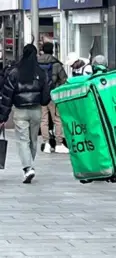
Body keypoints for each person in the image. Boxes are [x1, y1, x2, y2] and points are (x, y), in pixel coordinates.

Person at [0, 44, 52, 183]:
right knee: (33, 140)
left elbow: (7, 96)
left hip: (20, 111)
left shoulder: (15, 72)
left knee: (23, 140)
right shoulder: (41, 73)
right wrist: (42, 101)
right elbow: (46, 95)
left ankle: (28, 168)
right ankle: (30, 166)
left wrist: (3, 116)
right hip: (36, 110)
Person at [38, 42, 69, 154]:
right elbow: (64, 80)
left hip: (41, 96)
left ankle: (46, 143)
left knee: (43, 120)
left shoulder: (36, 63)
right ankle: (59, 144)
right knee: (57, 120)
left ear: (42, 50)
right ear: (52, 50)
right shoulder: (56, 64)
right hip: (53, 96)